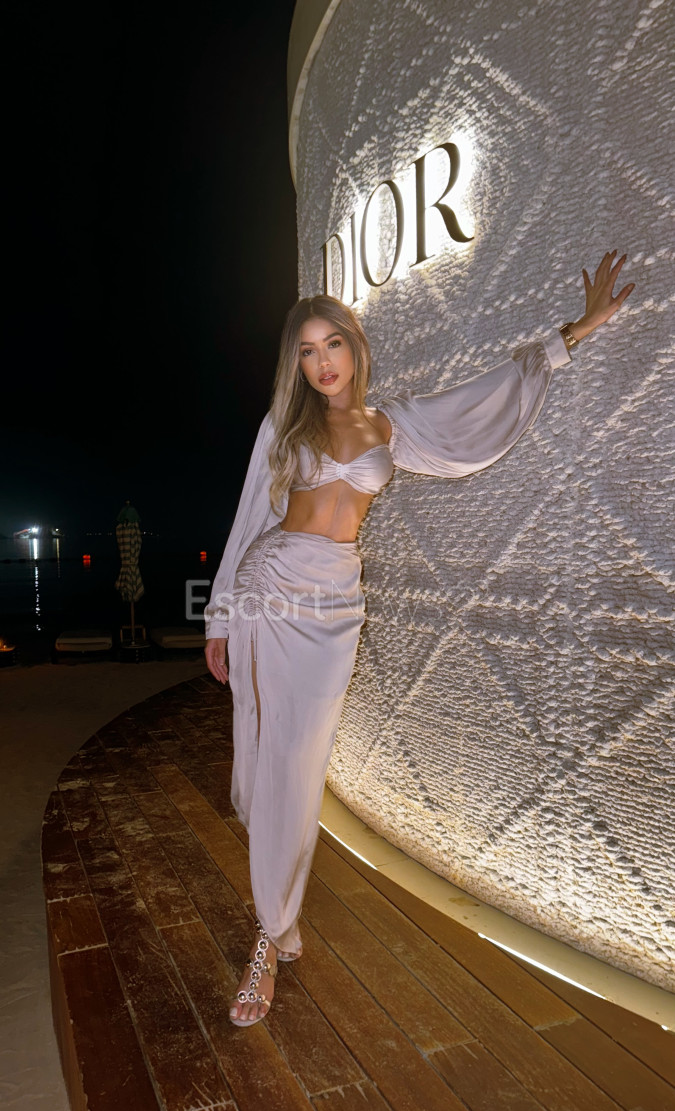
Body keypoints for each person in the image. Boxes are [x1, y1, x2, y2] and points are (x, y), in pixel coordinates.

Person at [204, 250, 634, 1028]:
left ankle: (280, 918)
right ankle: (268, 938)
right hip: (272, 591)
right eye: (306, 351)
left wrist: (570, 335)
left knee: (302, 765)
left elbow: (478, 401)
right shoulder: (284, 425)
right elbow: (246, 522)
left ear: (353, 347)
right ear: (295, 363)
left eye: (332, 343)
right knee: (277, 765)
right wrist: (221, 617)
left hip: (335, 608)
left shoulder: (388, 425)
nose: (321, 362)